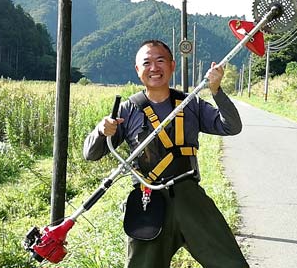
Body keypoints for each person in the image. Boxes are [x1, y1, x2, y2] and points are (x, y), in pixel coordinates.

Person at [83, 40, 249, 268]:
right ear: (137, 70)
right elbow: (91, 154)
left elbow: (231, 126)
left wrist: (216, 90)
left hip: (190, 196)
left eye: (160, 61)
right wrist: (102, 131)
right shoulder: (128, 110)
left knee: (231, 264)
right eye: (147, 63)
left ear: (172, 66)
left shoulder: (191, 104)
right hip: (148, 202)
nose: (154, 68)